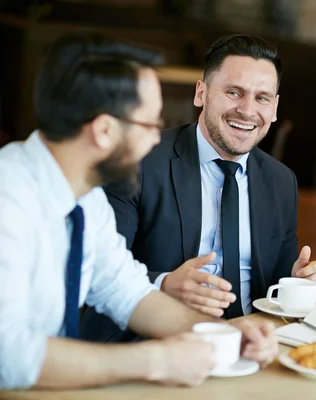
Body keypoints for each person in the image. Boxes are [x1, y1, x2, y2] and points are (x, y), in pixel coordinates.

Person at [0, 31, 278, 390]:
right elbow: (9, 356)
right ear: (103, 130)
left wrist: (223, 333)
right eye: (149, 125)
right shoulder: (9, 200)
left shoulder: (86, 199)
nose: (154, 141)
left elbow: (128, 293)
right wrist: (158, 360)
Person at [80, 34, 316, 343]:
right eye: (234, 92)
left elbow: (276, 285)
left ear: (275, 107)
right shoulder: (139, 161)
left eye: (262, 98)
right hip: (149, 338)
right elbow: (95, 270)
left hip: (249, 340)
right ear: (202, 93)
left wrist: (304, 283)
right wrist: (164, 283)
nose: (247, 110)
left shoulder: (281, 180)